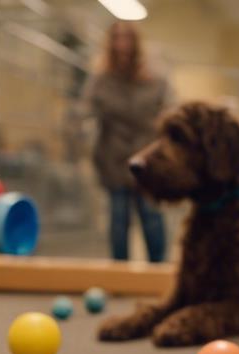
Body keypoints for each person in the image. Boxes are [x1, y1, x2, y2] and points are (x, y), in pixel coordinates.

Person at [82, 21, 170, 262]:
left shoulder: (154, 80)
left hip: (147, 160)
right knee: (118, 219)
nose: (122, 44)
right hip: (114, 159)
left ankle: (157, 271)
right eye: (117, 38)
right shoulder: (101, 80)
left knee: (151, 217)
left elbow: (165, 114)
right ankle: (119, 274)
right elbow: (87, 112)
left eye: (127, 38)